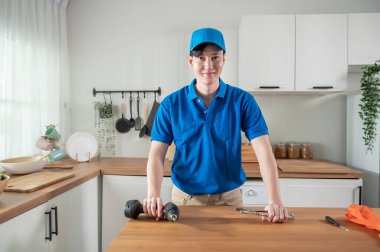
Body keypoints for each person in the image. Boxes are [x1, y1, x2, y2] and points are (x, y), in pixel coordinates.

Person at [143, 27, 289, 223]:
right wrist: (153, 194)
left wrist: (275, 200)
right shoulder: (171, 104)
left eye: (215, 57)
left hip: (230, 201)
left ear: (224, 59)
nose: (208, 65)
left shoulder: (243, 101)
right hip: (184, 201)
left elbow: (264, 152)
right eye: (201, 57)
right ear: (190, 61)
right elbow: (156, 154)